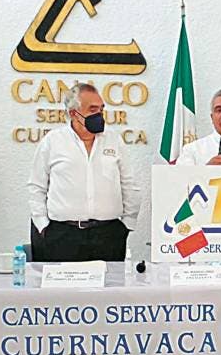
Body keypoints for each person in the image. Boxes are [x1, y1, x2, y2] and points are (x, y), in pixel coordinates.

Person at [28, 83, 140, 262]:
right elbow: (36, 186)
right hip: (62, 236)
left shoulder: (114, 140)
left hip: (108, 236)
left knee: (110, 281)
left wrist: (127, 224)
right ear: (74, 113)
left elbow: (129, 184)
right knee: (62, 282)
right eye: (93, 110)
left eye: (101, 109)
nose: (99, 115)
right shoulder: (53, 142)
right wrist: (42, 225)